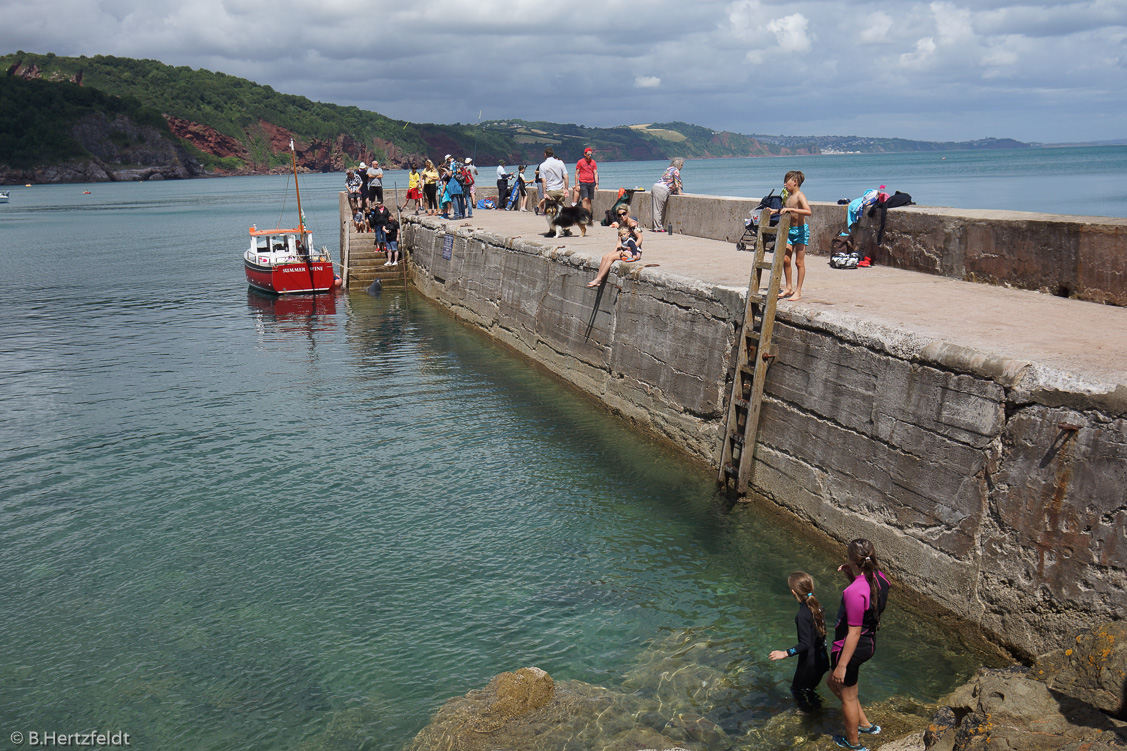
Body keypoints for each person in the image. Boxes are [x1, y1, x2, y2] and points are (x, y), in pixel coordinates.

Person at [827, 538, 890, 751]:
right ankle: (866, 725)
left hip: (850, 648)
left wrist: (842, 665)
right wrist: (851, 576)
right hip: (869, 641)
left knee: (847, 696)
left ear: (853, 560)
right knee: (834, 684)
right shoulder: (881, 578)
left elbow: (853, 633)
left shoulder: (854, 591)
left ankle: (854, 744)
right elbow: (867, 599)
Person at [769, 571, 830, 713]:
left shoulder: (803, 614)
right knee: (809, 690)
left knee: (797, 690)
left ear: (793, 592)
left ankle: (809, 715)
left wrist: (785, 653)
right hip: (822, 660)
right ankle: (818, 712)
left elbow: (805, 644)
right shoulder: (818, 607)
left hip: (810, 663)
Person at [777, 170, 812, 301]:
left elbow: (808, 211)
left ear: (795, 182)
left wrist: (791, 209)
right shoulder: (788, 197)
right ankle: (788, 287)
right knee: (786, 259)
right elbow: (785, 211)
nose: (785, 184)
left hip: (801, 231)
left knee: (799, 262)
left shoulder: (799, 196)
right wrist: (774, 211)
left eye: (787, 182)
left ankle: (798, 290)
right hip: (789, 231)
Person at [651, 158, 683, 231]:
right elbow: (677, 182)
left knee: (655, 209)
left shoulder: (668, 169)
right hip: (661, 189)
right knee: (658, 210)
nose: (682, 167)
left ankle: (655, 227)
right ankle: (658, 227)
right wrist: (679, 192)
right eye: (681, 165)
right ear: (677, 165)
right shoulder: (675, 170)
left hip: (655, 187)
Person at [574, 147, 599, 222]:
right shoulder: (580, 162)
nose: (590, 156)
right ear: (584, 154)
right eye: (588, 154)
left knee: (589, 200)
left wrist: (597, 183)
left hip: (591, 182)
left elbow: (595, 173)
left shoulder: (593, 162)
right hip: (583, 182)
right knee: (585, 199)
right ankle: (584, 216)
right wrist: (576, 185)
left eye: (591, 154)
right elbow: (576, 174)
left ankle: (588, 216)